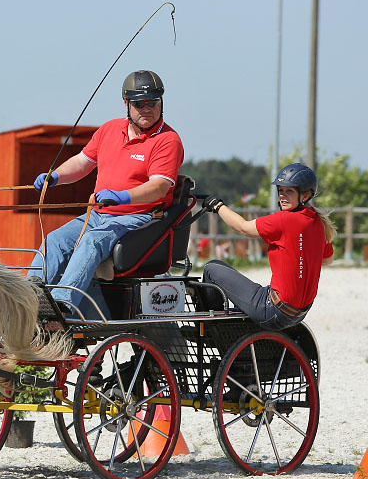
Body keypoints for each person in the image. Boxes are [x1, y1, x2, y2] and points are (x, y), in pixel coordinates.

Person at [27, 69, 184, 314]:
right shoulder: (109, 130)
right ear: (126, 104)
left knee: (91, 241)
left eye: (152, 102)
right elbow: (82, 163)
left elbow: (159, 186)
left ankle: (61, 306)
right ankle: (29, 298)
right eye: (139, 103)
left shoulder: (167, 140)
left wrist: (123, 196)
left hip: (138, 217)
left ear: (161, 103)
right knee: (54, 241)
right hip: (99, 214)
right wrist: (55, 176)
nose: (147, 108)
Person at [201, 163, 335, 330]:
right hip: (298, 313)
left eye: (289, 191)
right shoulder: (317, 222)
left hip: (273, 310)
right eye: (281, 191)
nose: (283, 196)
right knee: (220, 266)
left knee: (211, 268)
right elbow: (328, 259)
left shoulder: (285, 220)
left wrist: (217, 206)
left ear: (305, 195)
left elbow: (243, 227)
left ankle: (212, 329)